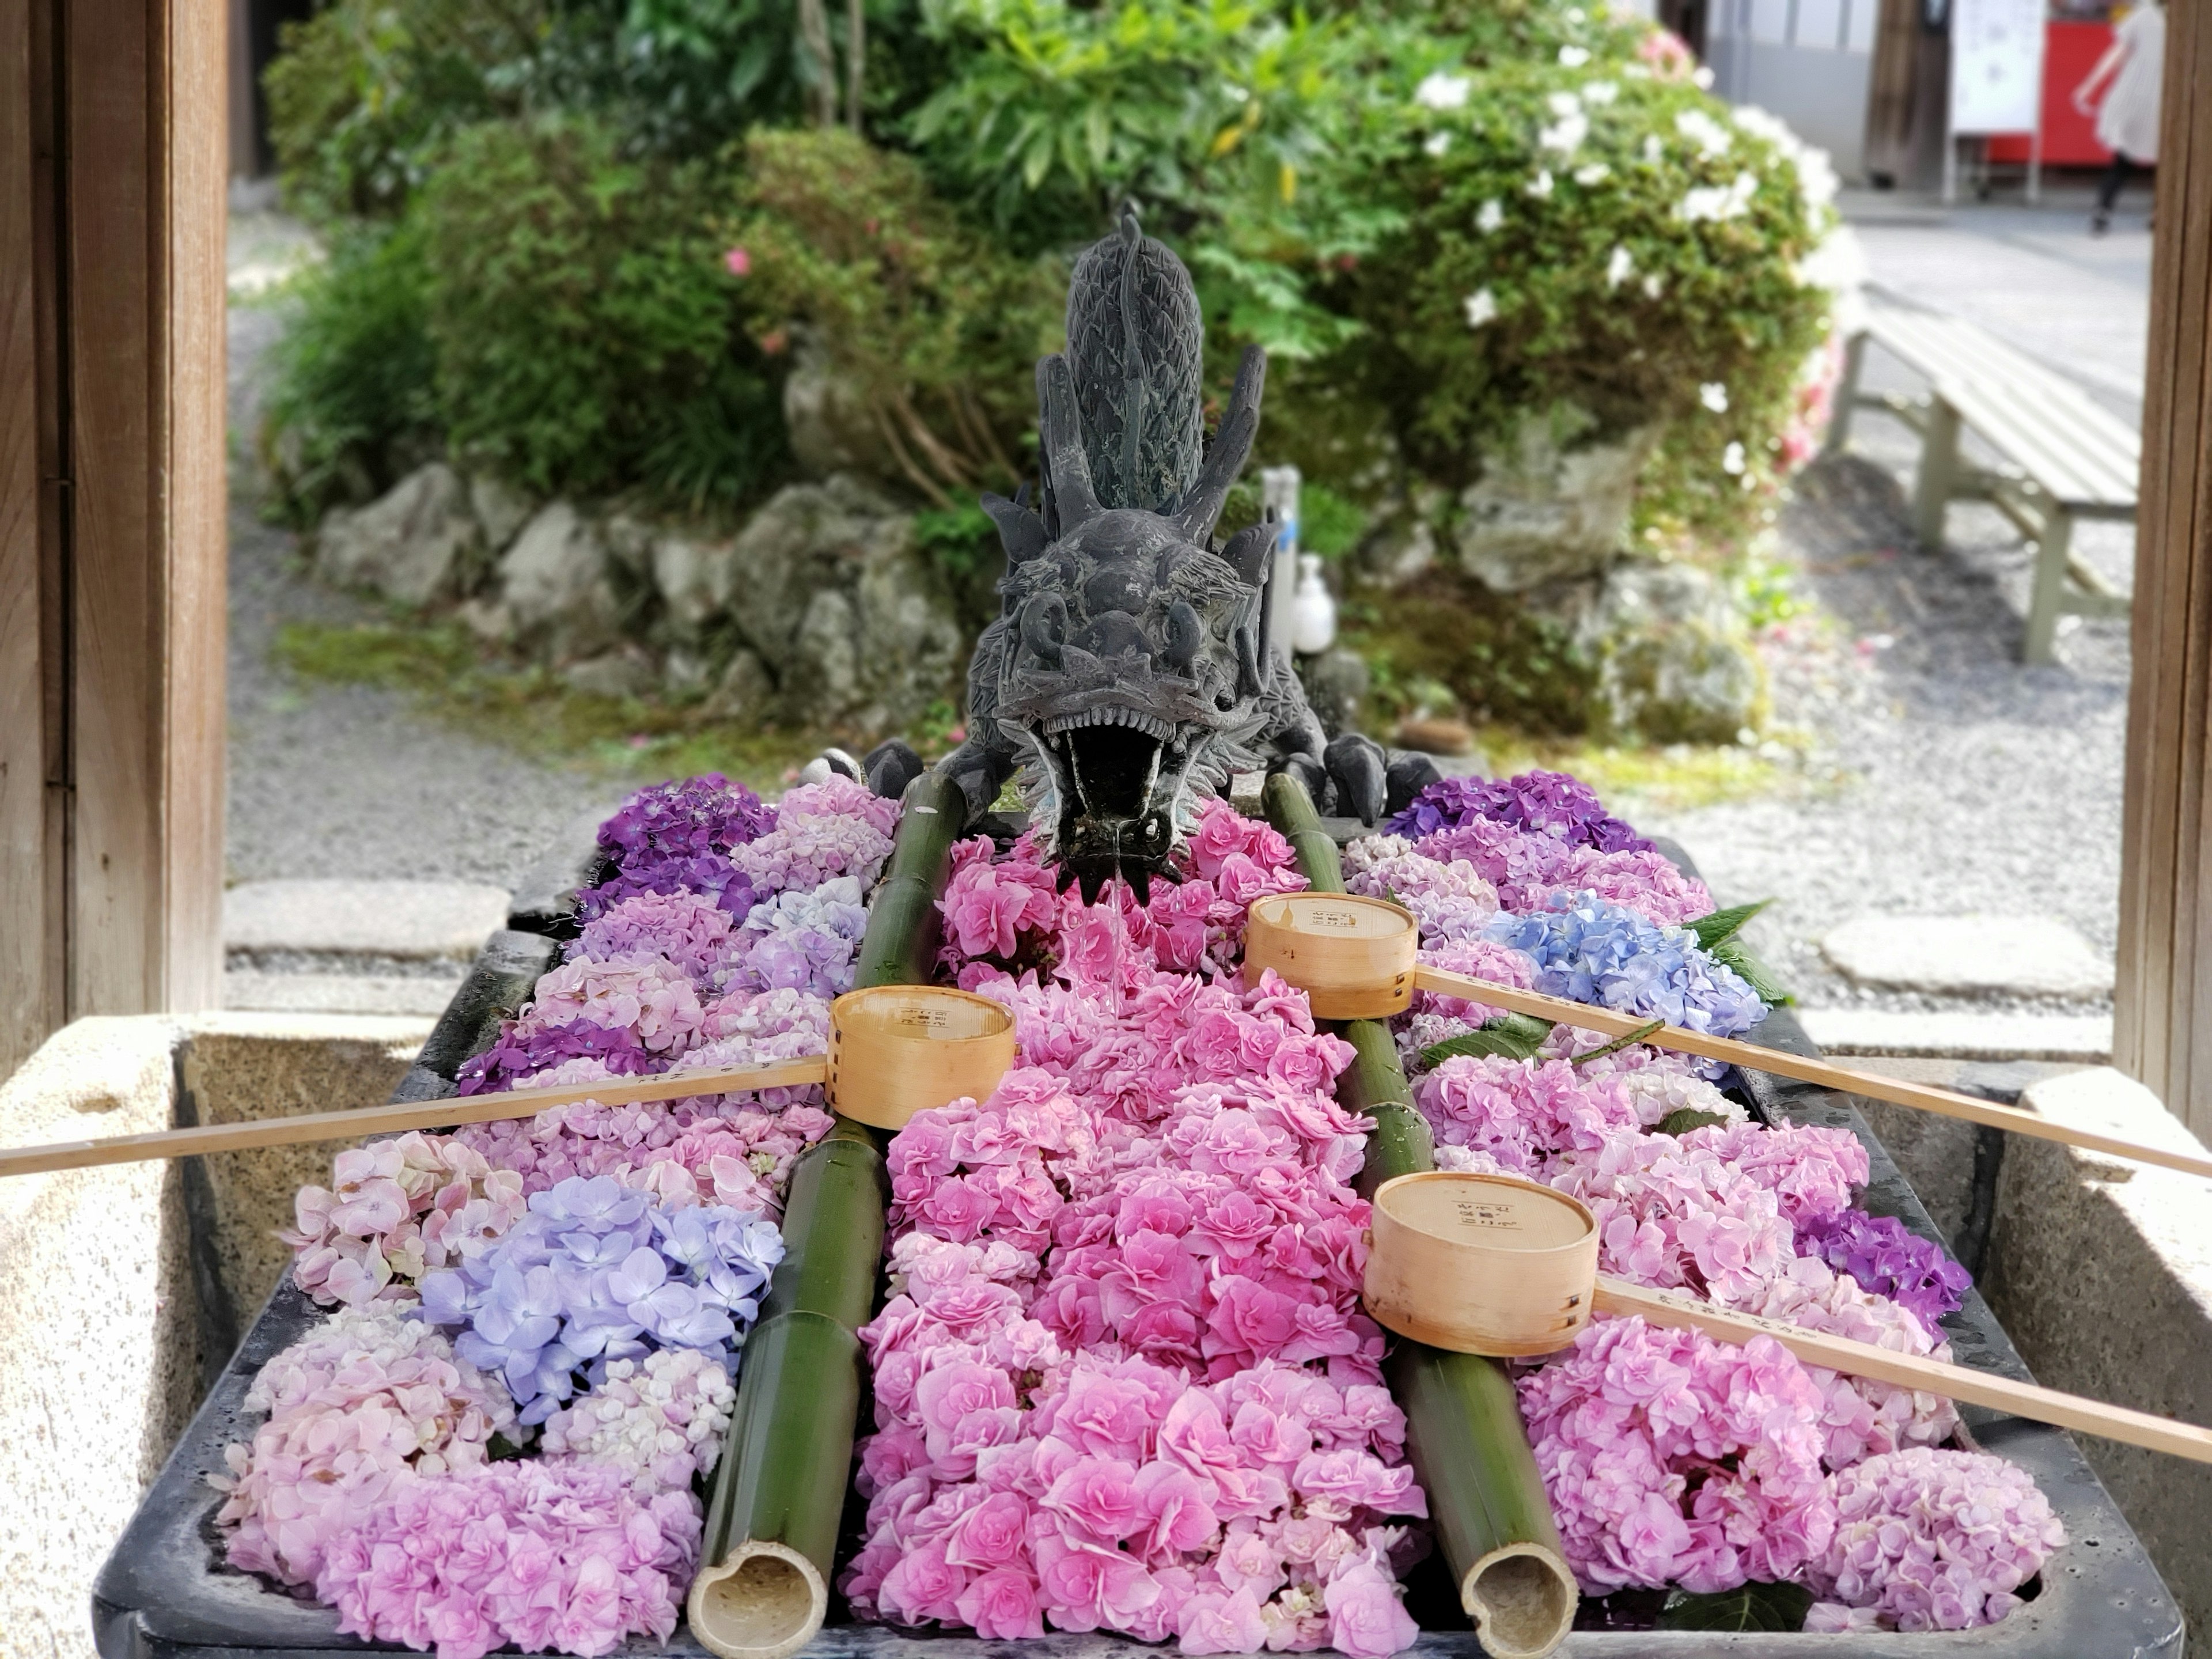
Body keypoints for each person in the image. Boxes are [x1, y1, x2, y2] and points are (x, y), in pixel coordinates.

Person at [2073, 0, 2165, 234]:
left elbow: (2119, 51)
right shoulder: (2186, 20)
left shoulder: (2145, 14)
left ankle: (2103, 211)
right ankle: (2159, 214)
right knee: (2170, 160)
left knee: (2124, 158)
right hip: (2164, 95)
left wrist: (2090, 85)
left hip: (2138, 93)